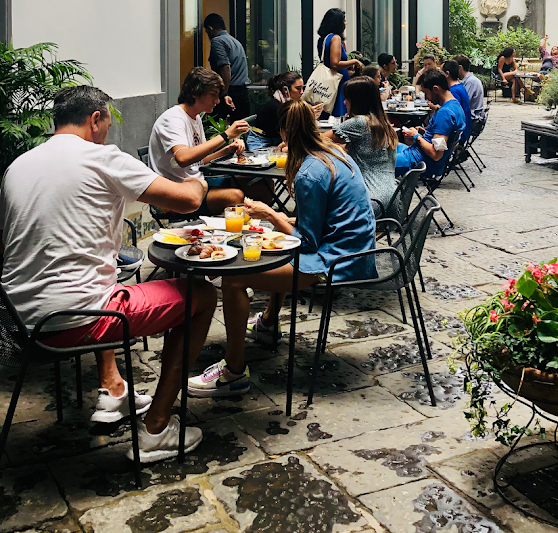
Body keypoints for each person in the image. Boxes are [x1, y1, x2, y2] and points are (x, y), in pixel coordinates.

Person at [0, 86, 217, 462]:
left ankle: (114, 390)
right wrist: (199, 180)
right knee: (201, 296)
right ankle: (156, 429)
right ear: (95, 119)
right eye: (107, 123)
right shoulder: (102, 157)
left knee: (106, 276)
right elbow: (189, 201)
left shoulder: (18, 165)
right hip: (71, 321)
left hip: (15, 322)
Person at [187, 101, 376, 396]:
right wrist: (278, 220)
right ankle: (267, 324)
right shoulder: (333, 154)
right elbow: (321, 219)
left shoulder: (310, 173)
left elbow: (308, 242)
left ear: (284, 134)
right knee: (274, 243)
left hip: (335, 261)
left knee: (234, 279)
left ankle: (234, 372)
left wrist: (272, 215)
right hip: (354, 249)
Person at [149, 67, 250, 215]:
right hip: (175, 193)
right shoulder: (173, 119)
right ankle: (225, 234)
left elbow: (199, 160)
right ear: (195, 93)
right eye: (213, 95)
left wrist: (227, 150)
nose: (217, 101)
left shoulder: (196, 117)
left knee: (259, 184)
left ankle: (255, 233)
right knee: (235, 196)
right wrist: (225, 135)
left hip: (197, 184)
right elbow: (183, 158)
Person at [329, 76, 398, 210]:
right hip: (390, 199)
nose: (344, 102)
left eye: (347, 98)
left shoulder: (359, 123)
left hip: (369, 201)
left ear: (356, 101)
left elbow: (317, 140)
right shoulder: (381, 122)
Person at [395, 68, 465, 179]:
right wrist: (426, 133)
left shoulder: (445, 114)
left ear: (436, 89)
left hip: (417, 162)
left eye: (426, 93)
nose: (426, 98)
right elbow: (442, 137)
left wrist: (416, 136)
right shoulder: (455, 106)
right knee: (391, 148)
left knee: (376, 162)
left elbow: (436, 154)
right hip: (417, 155)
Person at [203, 14, 250, 120]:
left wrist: (224, 93)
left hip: (230, 92)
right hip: (243, 92)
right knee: (240, 129)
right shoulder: (235, 42)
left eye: (207, 31)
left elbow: (225, 68)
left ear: (210, 29)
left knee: (215, 128)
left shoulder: (217, 41)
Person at [317, 8, 361, 120]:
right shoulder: (335, 38)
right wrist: (354, 61)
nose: (345, 23)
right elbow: (335, 63)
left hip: (329, 82)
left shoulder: (323, 39)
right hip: (337, 82)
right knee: (338, 114)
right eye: (344, 20)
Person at [442, 59, 473, 145]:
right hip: (465, 129)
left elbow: (453, 113)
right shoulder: (460, 87)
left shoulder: (453, 91)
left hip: (459, 134)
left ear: (447, 74)